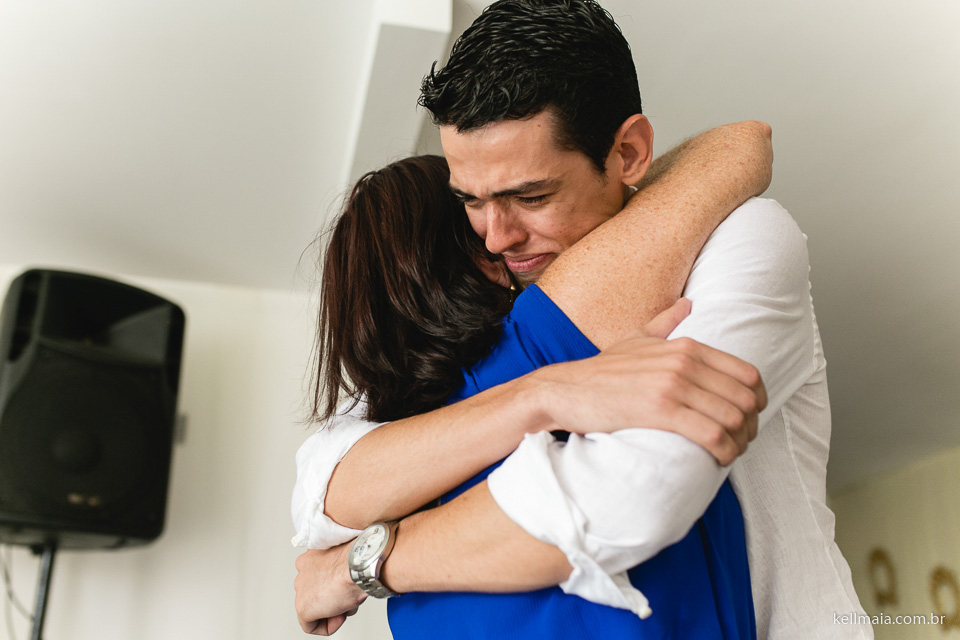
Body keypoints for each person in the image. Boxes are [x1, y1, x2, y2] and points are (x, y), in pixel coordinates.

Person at [294, 1, 871, 638]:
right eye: (470, 203)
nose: (495, 239)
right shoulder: (475, 331)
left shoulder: (743, 237)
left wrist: (359, 568)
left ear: (628, 152)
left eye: (531, 196)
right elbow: (321, 486)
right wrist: (542, 394)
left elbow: (624, 501)